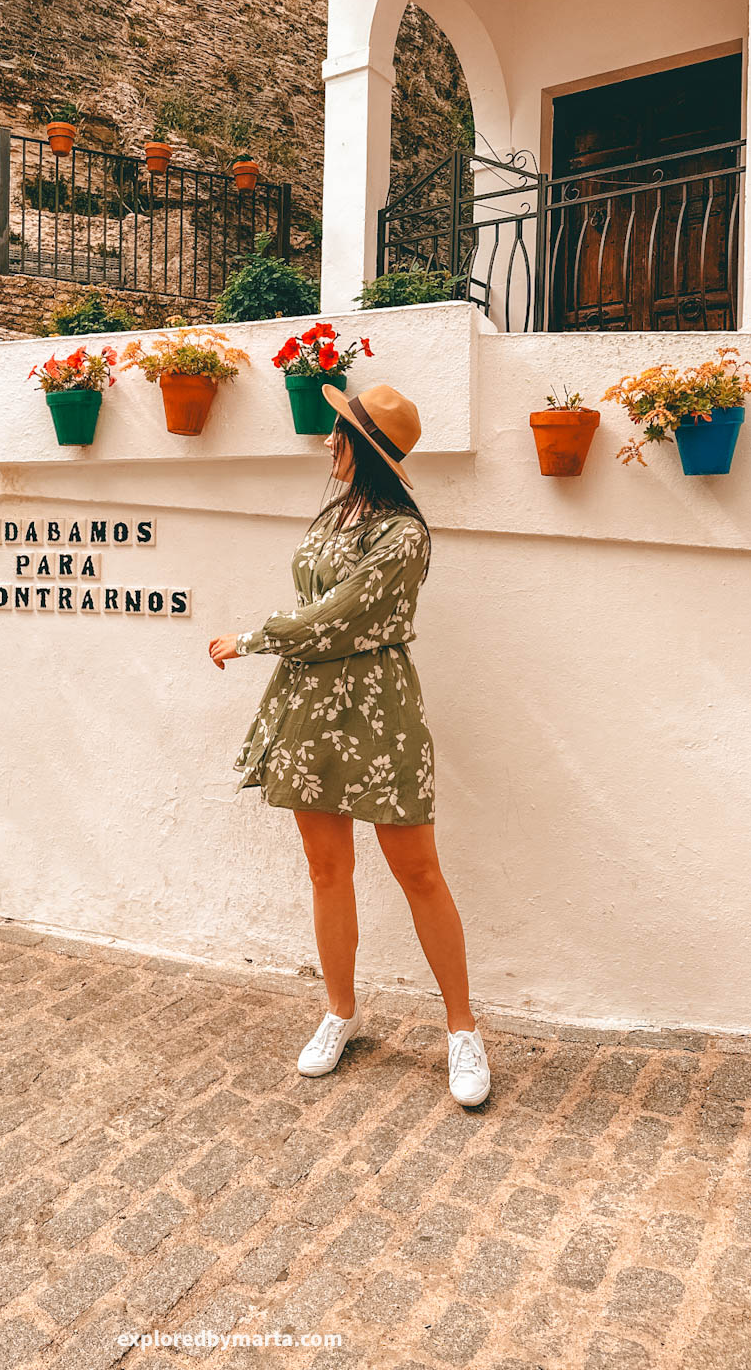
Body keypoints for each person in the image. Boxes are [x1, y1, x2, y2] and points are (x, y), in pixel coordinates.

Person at [209, 382, 490, 1107]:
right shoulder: (336, 513)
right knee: (326, 869)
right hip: (311, 707)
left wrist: (252, 639)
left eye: (339, 433)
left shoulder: (404, 534)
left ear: (361, 448)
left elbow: (341, 615)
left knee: (418, 871)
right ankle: (339, 1011)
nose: (328, 442)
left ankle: (462, 1029)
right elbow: (320, 602)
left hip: (378, 708)